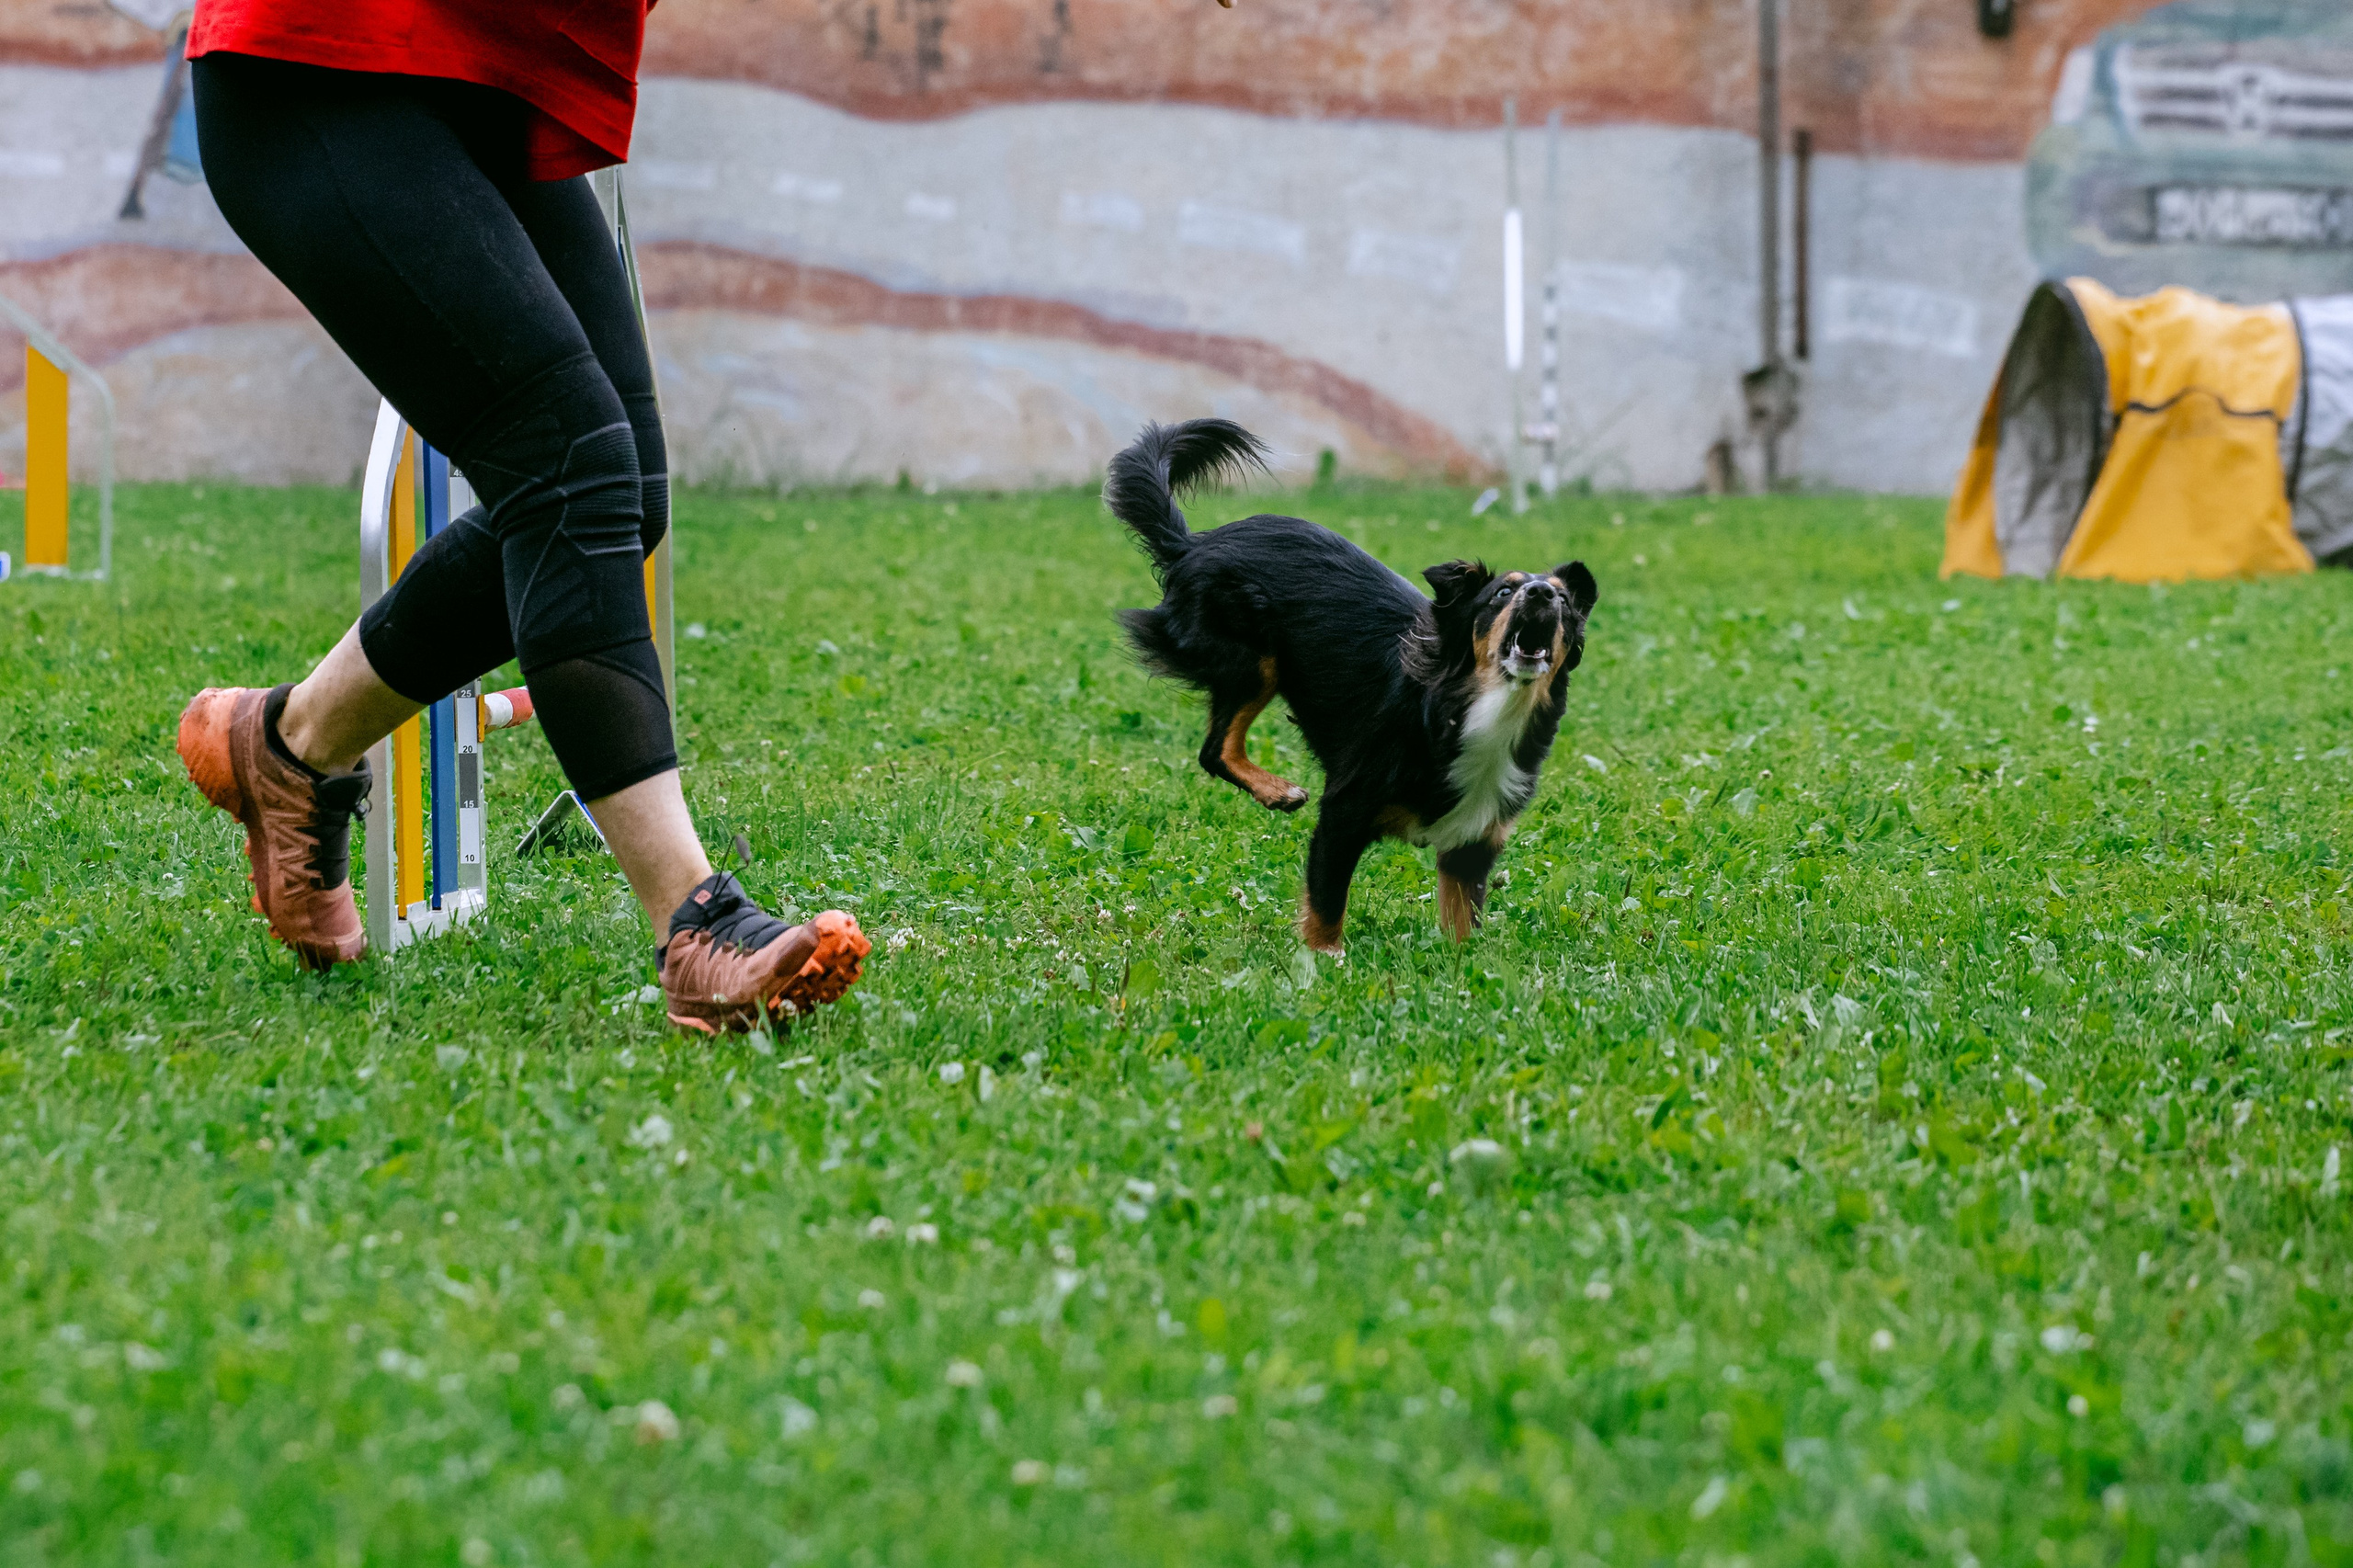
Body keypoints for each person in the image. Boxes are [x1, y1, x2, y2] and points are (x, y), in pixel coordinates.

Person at [169, 0, 869, 1033]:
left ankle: (292, 741)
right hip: (326, 62)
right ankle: (698, 921)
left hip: (482, 83)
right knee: (564, 455)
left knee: (618, 496)